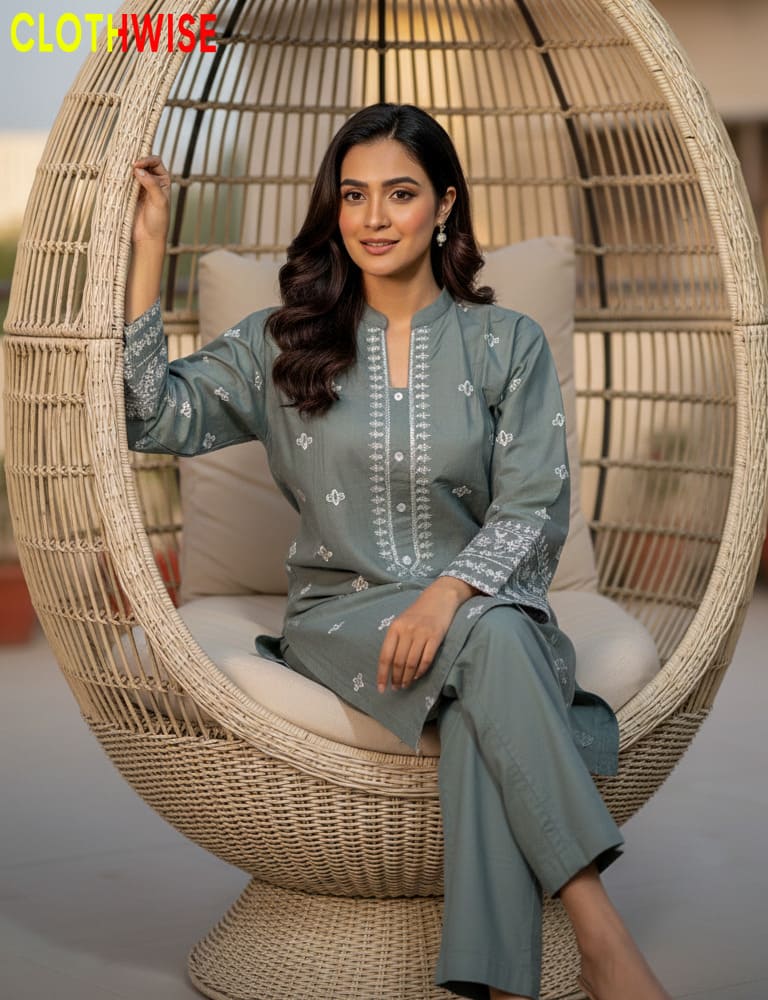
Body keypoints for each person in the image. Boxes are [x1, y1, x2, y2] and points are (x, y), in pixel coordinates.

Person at [123, 103, 671, 1000]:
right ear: (333, 211)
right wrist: (150, 244)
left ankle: (494, 986)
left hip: (478, 606)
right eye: (354, 195)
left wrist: (448, 591)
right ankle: (602, 934)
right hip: (344, 619)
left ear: (444, 204)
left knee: (485, 662)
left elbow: (536, 507)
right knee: (495, 642)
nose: (374, 218)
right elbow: (149, 414)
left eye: (401, 193)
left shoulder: (509, 346)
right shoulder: (285, 342)